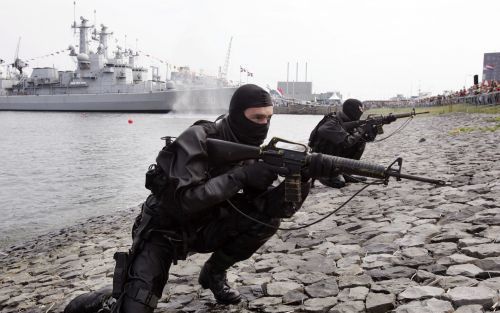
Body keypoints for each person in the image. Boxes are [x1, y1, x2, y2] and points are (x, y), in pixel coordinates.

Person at [65, 84, 311, 313]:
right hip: (162, 231)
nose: (264, 124)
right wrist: (241, 176)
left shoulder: (254, 151)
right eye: (257, 117)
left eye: (269, 118)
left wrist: (302, 178)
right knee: (135, 307)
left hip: (206, 227)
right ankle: (106, 297)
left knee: (265, 220)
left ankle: (214, 274)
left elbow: (274, 209)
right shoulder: (198, 137)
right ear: (237, 114)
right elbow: (184, 201)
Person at [308, 98, 377, 188]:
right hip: (321, 159)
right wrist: (362, 129)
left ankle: (346, 173)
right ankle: (325, 175)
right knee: (339, 183)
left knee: (360, 142)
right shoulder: (332, 122)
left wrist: (373, 130)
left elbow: (365, 139)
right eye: (359, 110)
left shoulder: (345, 120)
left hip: (333, 154)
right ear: (352, 111)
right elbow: (346, 142)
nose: (361, 113)